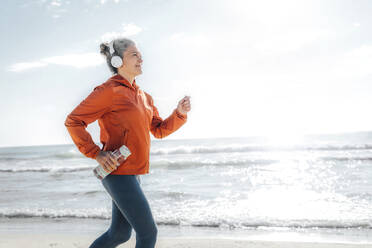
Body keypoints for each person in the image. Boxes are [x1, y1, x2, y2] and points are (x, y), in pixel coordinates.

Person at [64, 37, 191, 248]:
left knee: (119, 234)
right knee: (148, 233)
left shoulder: (144, 97)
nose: (141, 58)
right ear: (117, 62)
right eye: (134, 54)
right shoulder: (108, 91)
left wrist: (179, 113)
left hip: (132, 173)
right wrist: (96, 153)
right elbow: (73, 121)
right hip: (116, 173)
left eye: (140, 54)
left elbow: (158, 130)